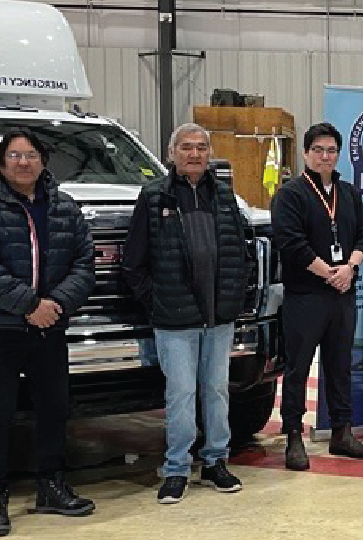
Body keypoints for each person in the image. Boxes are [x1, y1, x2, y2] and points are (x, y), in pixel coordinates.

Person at [0, 130, 97, 537]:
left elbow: (84, 263)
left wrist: (56, 306)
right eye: (15, 155)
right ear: (1, 162)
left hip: (50, 325)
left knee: (54, 407)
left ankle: (51, 485)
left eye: (31, 155)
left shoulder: (63, 206)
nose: (23, 162)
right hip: (0, 324)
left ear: (43, 161)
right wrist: (29, 305)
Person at [123, 123, 251, 503]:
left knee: (216, 391)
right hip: (174, 319)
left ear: (209, 154)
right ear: (171, 153)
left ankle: (215, 462)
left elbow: (241, 254)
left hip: (218, 317)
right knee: (180, 393)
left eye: (200, 148)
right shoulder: (153, 197)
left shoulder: (225, 196)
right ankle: (177, 467)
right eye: (186, 147)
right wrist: (158, 301)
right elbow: (133, 263)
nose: (194, 154)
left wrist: (233, 297)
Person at [271, 122, 363, 470]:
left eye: (331, 150)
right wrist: (328, 272)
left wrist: (350, 268)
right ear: (305, 153)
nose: (325, 156)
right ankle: (293, 437)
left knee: (340, 366)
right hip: (306, 295)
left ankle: (342, 432)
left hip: (343, 293)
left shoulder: (348, 193)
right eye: (318, 150)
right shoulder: (290, 194)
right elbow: (291, 242)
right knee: (298, 367)